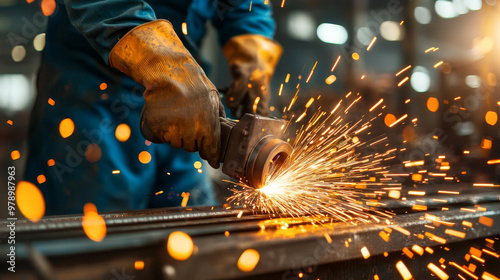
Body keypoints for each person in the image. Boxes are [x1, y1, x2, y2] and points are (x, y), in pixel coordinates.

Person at [23, 0, 282, 215]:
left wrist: (253, 54)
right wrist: (162, 63)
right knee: (92, 248)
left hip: (187, 104)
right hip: (93, 99)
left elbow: (244, 5)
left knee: (188, 241)